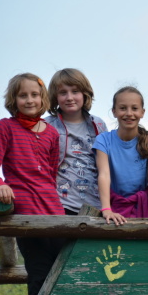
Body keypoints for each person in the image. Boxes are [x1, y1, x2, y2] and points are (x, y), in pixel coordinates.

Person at [0, 73, 65, 295]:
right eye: (22, 95)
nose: (29, 100)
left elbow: (51, 175)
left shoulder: (52, 133)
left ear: (43, 98)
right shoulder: (6, 127)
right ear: (13, 99)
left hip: (55, 216)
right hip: (27, 219)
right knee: (39, 277)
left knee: (64, 275)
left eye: (35, 95)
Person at [93, 86, 148, 225]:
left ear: (142, 112)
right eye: (123, 108)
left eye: (134, 108)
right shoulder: (103, 140)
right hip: (114, 204)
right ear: (114, 111)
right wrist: (106, 209)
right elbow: (104, 175)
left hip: (143, 205)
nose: (129, 113)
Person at [45, 68, 108, 215]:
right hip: (60, 203)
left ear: (84, 94)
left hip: (94, 204)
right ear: (55, 96)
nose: (69, 97)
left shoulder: (98, 124)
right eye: (63, 93)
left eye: (75, 91)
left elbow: (106, 164)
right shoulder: (47, 125)